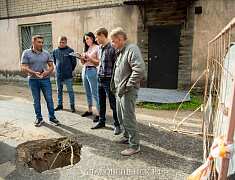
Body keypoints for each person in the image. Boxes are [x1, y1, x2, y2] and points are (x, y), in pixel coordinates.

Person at [110, 27, 145, 156]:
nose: (112, 44)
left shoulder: (131, 49)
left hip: (127, 91)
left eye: (113, 41)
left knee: (128, 117)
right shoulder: (122, 51)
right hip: (121, 91)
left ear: (120, 39)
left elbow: (139, 70)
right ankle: (126, 136)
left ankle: (135, 145)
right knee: (121, 115)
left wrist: (127, 86)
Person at [21, 35, 60, 126]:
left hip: (45, 80)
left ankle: (52, 117)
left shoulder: (46, 53)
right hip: (33, 80)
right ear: (33, 42)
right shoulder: (26, 53)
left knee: (49, 99)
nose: (41, 44)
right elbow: (24, 67)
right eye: (39, 42)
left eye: (42, 42)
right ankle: (39, 118)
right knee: (36, 100)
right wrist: (34, 73)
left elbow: (51, 66)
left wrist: (47, 72)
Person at [91, 27, 120, 135]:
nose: (95, 39)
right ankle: (101, 121)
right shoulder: (99, 48)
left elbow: (117, 65)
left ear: (102, 36)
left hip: (109, 81)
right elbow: (100, 63)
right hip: (100, 79)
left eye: (96, 37)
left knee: (113, 104)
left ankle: (117, 124)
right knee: (101, 102)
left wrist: (115, 81)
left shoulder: (112, 48)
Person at [53, 36, 77, 113]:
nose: (61, 44)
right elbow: (55, 61)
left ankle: (72, 105)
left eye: (63, 42)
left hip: (67, 75)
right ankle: (60, 104)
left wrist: (70, 70)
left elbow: (73, 63)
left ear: (66, 42)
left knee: (70, 90)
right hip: (58, 75)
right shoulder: (55, 51)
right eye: (60, 42)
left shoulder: (70, 51)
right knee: (59, 90)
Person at [80, 32, 100, 121]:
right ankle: (89, 110)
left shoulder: (97, 48)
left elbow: (98, 62)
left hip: (92, 70)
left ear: (92, 38)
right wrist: (81, 57)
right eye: (85, 39)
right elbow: (83, 62)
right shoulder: (86, 48)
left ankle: (99, 113)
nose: (86, 41)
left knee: (95, 92)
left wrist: (89, 57)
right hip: (85, 69)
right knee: (87, 91)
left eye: (87, 38)